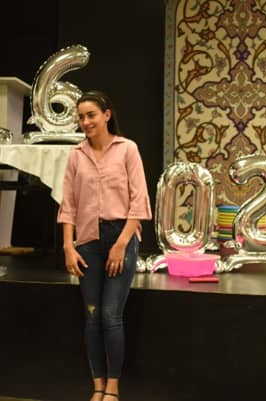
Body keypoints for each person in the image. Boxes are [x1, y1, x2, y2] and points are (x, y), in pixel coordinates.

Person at [57, 90, 152, 401]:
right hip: (86, 242)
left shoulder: (127, 149)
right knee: (92, 316)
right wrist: (68, 247)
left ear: (107, 115)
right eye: (81, 117)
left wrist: (121, 244)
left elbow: (139, 201)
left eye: (91, 115)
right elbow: (69, 205)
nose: (85, 122)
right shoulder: (76, 155)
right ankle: (97, 385)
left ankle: (113, 386)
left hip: (121, 238)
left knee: (111, 315)